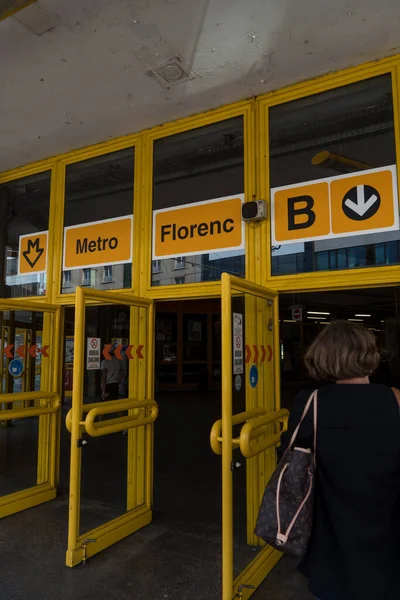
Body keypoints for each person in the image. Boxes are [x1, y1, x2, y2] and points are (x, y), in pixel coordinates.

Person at [279, 320, 400, 600]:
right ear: (370, 356)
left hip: (331, 523)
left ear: (323, 357)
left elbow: (288, 455)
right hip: (388, 520)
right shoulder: (395, 400)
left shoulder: (311, 402)